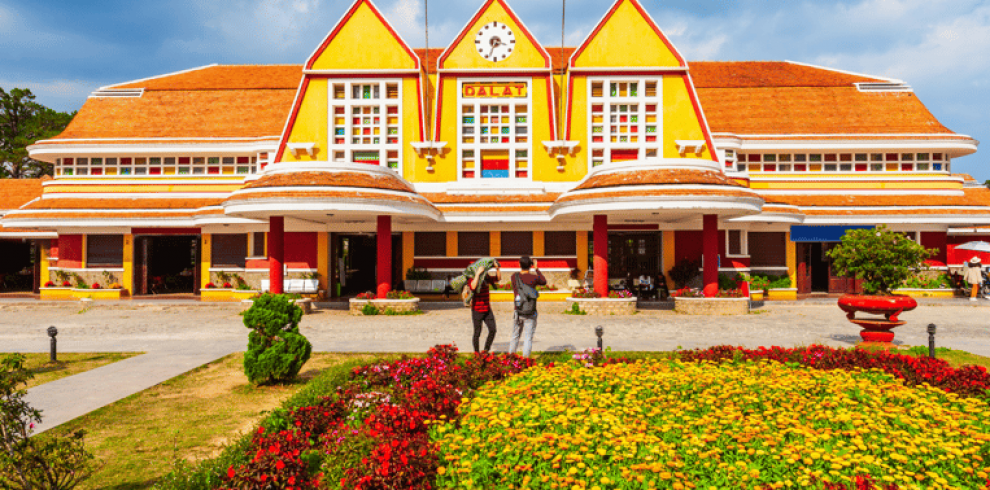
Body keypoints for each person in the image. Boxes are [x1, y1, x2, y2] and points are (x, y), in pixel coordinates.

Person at [509, 256, 546, 357]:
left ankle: (510, 359)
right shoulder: (534, 278)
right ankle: (525, 360)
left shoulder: (514, 277)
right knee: (528, 338)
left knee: (515, 336)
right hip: (530, 311)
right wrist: (537, 268)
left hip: (518, 310)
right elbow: (544, 281)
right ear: (531, 265)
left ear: (519, 264)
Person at [469, 261, 500, 352]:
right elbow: (473, 287)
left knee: (493, 330)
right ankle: (476, 353)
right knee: (477, 333)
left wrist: (497, 268)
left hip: (487, 309)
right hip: (477, 310)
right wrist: (477, 274)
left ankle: (486, 350)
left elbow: (498, 279)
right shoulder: (472, 278)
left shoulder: (486, 277)